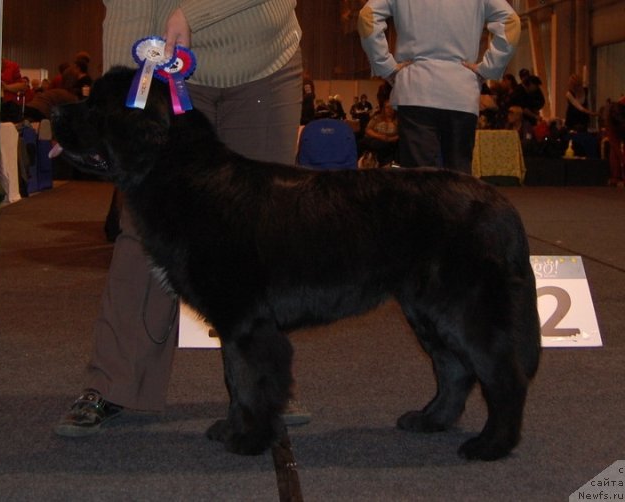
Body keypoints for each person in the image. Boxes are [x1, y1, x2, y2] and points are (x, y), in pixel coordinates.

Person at [55, 0, 310, 437]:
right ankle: (113, 383)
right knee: (142, 229)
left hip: (263, 64)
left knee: (260, 232)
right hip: (162, 73)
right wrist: (109, 113)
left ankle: (261, 387)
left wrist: (191, 12)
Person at [358, 0, 520, 173]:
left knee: (419, 179)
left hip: (415, 89)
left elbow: (367, 17)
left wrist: (385, 66)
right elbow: (511, 22)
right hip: (460, 90)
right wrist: (489, 68)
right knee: (459, 179)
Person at [360, 99, 399, 167]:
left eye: (391, 107)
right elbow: (368, 130)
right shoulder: (377, 118)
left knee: (385, 146)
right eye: (387, 107)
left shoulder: (398, 121)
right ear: (383, 109)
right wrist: (379, 136)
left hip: (391, 142)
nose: (389, 109)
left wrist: (390, 139)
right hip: (375, 139)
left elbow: (401, 134)